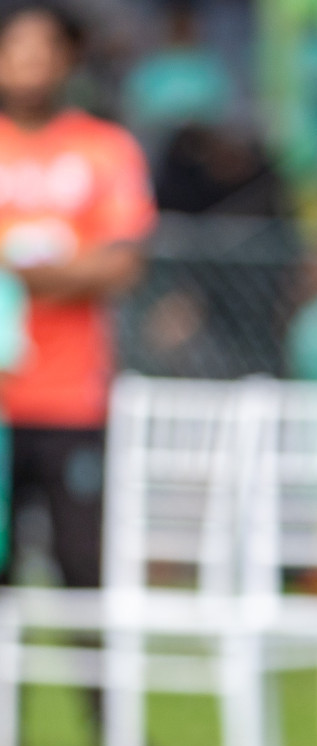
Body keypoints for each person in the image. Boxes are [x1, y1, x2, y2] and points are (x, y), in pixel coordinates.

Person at [0, 4, 154, 590]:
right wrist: (67, 267)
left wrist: (18, 272)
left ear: (68, 60)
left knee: (83, 568)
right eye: (17, 49)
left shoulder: (106, 150)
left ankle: (102, 687)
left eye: (43, 51)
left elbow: (120, 264)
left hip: (75, 401)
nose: (29, 66)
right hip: (2, 406)